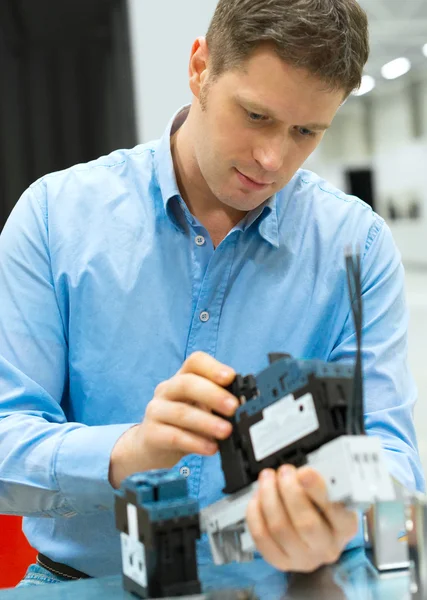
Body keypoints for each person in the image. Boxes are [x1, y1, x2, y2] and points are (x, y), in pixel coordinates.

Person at [0, 0, 424, 588]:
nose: (273, 159)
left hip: (286, 582)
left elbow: (392, 461)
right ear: (200, 68)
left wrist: (340, 513)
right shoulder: (54, 218)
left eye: (306, 132)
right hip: (90, 583)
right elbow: (6, 437)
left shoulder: (356, 248)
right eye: (255, 115)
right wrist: (127, 452)